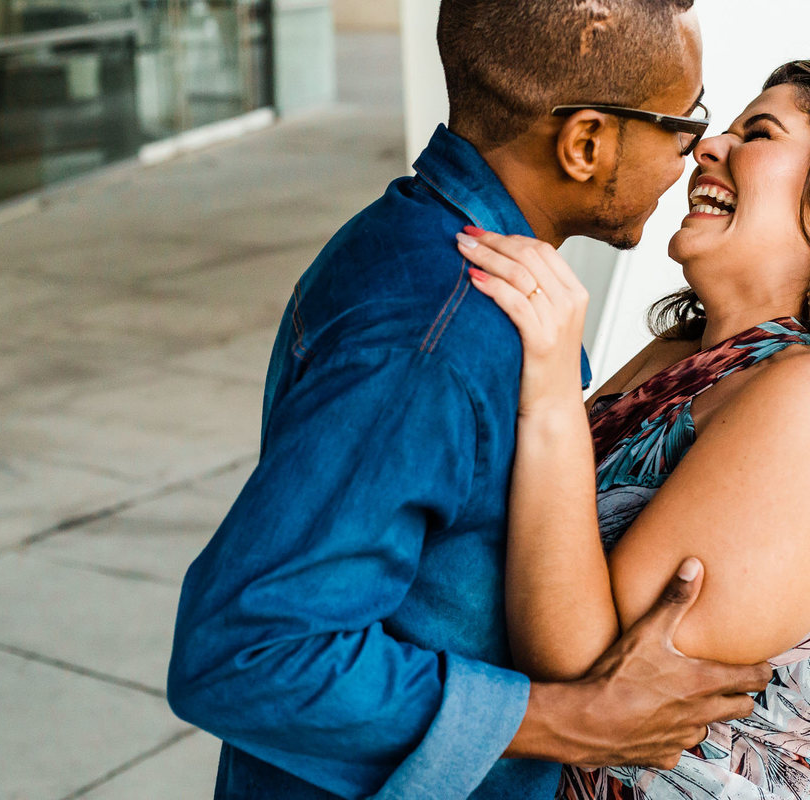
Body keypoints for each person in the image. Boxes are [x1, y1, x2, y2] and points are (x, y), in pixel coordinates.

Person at [166, 1, 772, 798]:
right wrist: (570, 719)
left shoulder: (418, 243)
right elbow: (243, 651)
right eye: (681, 122)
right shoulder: (438, 337)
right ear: (585, 142)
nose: (696, 153)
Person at [457, 60, 810, 798]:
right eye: (723, 129)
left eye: (758, 133)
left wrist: (548, 395)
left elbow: (587, 682)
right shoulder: (683, 355)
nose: (707, 146)